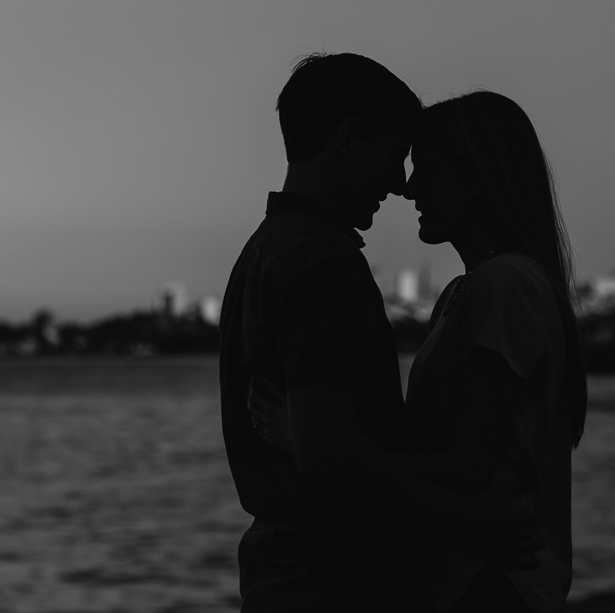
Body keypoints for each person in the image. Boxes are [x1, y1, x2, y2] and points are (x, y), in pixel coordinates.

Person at [220, 54, 540, 613]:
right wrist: (474, 522)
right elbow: (331, 458)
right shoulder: (323, 261)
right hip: (339, 582)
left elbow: (326, 446)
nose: (400, 185)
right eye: (394, 158)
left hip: (282, 577)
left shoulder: (260, 253)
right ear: (347, 140)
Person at [401, 90, 588, 612]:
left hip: (492, 585)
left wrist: (332, 457)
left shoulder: (504, 285)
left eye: (429, 169)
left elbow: (467, 464)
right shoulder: (469, 290)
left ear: (478, 177)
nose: (410, 187)